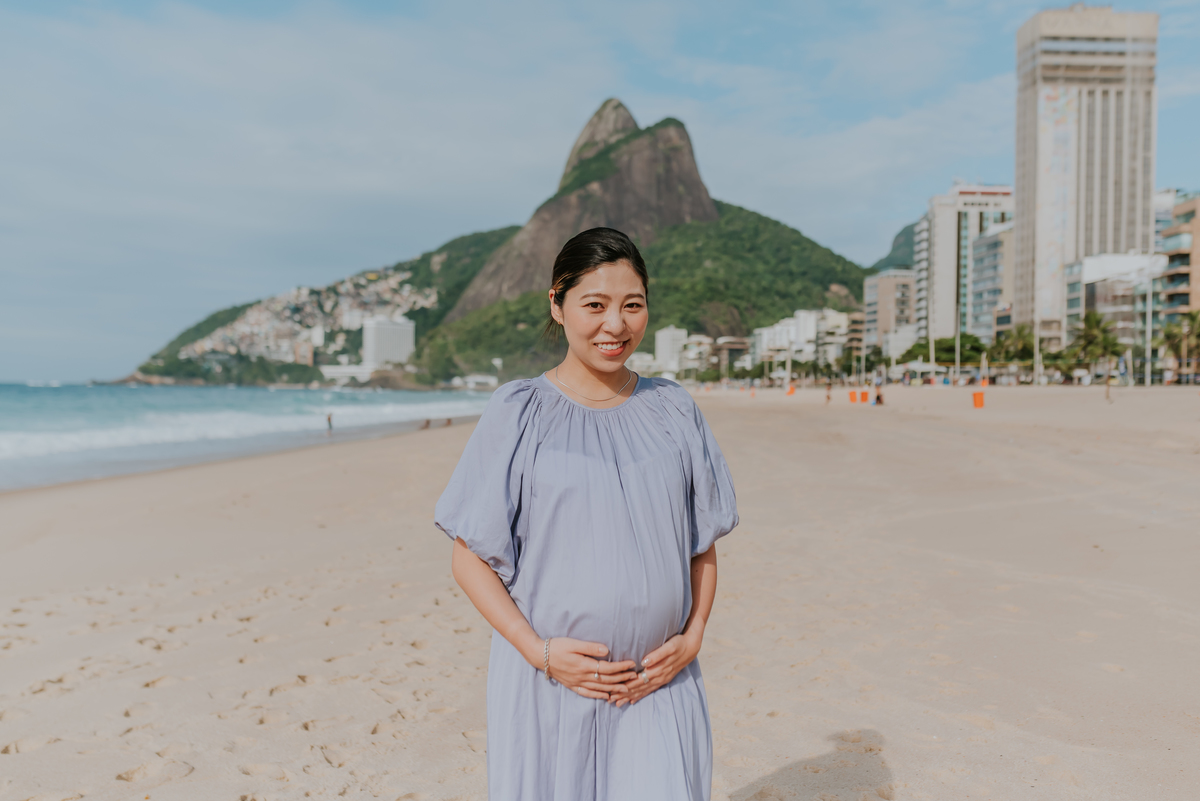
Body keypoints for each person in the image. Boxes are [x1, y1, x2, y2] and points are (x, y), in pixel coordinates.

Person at [435, 228, 738, 800]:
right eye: (594, 305)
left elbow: (702, 545)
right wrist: (539, 652)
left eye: (632, 305)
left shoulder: (672, 408)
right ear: (557, 302)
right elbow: (468, 556)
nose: (615, 325)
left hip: (660, 682)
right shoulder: (518, 411)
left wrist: (693, 636)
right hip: (552, 685)